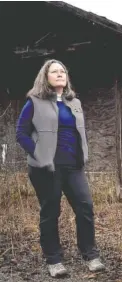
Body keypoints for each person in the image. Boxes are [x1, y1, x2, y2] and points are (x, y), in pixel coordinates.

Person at [16, 59, 105, 277]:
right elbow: (21, 133)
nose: (59, 74)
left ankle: (90, 254)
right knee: (51, 212)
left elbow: (78, 132)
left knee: (85, 207)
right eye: (54, 71)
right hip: (46, 168)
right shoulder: (34, 102)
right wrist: (38, 154)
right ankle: (54, 259)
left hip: (73, 166)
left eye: (62, 71)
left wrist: (83, 153)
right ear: (45, 77)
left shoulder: (74, 102)